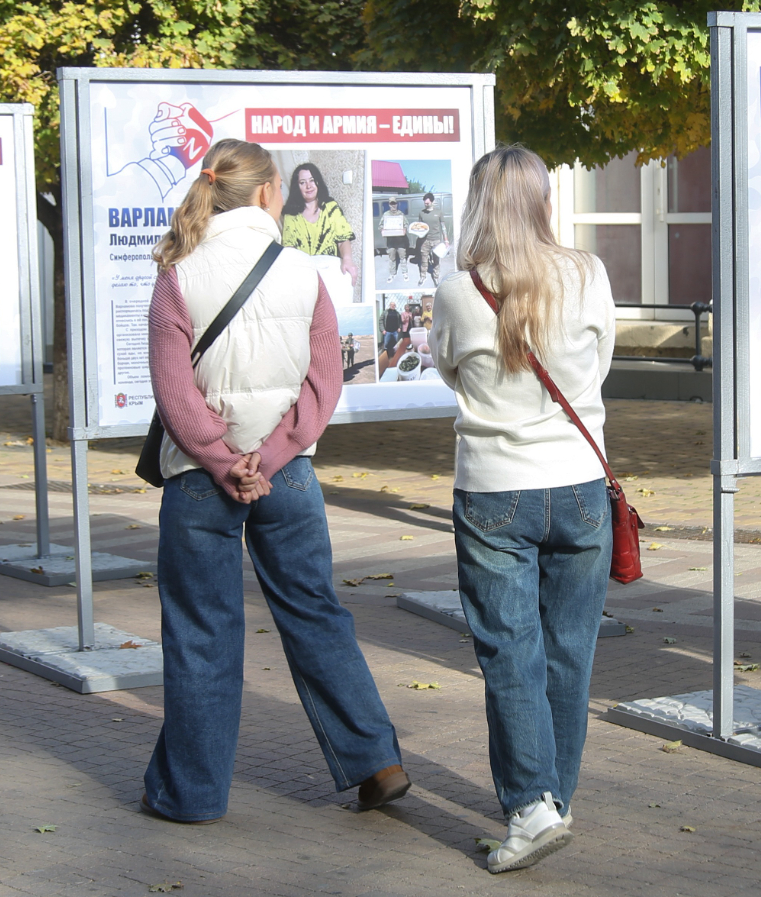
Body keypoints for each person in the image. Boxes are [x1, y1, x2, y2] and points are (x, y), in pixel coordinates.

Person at [142, 137, 407, 825]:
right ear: (267, 193)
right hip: (287, 477)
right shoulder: (302, 272)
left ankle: (192, 796)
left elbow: (173, 394)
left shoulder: (177, 274)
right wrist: (276, 452)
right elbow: (323, 384)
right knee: (316, 612)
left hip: (200, 478)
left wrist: (224, 459)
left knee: (203, 630)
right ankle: (376, 761)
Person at [430, 145, 616, 874]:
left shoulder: (458, 291)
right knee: (569, 651)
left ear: (480, 205)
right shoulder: (588, 273)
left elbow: (450, 371)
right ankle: (553, 799)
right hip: (578, 482)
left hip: (495, 486)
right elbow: (597, 365)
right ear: (542, 200)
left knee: (511, 653)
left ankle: (531, 807)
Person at [279, 162, 360, 294]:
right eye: (302, 182)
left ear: (318, 182)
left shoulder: (331, 207)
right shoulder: (290, 214)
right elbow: (290, 249)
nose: (308, 186)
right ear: (297, 187)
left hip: (330, 273)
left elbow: (343, 239)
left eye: (312, 180)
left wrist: (347, 260)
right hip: (304, 276)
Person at [415, 191, 451, 286]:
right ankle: (423, 276)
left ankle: (436, 277)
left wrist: (446, 240)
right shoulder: (421, 213)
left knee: (436, 260)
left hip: (436, 241)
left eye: (427, 203)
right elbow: (419, 226)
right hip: (425, 241)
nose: (426, 205)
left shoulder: (438, 212)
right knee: (423, 260)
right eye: (425, 203)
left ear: (432, 201)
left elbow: (443, 227)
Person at [378, 196, 409, 280]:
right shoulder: (386, 215)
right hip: (391, 241)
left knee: (403, 257)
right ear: (389, 204)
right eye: (391, 203)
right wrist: (382, 230)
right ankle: (392, 274)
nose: (393, 205)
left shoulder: (400, 214)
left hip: (400, 240)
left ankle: (405, 273)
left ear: (397, 204)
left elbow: (406, 224)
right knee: (392, 258)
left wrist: (404, 229)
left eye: (394, 203)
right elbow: (380, 226)